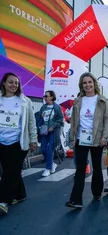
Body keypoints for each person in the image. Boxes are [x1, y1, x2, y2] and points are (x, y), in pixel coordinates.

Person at [65, 72, 108, 208]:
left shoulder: (102, 100)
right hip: (81, 138)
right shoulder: (78, 100)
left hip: (97, 138)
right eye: (84, 83)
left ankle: (97, 192)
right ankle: (76, 200)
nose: (87, 85)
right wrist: (73, 137)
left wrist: (105, 136)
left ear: (94, 84)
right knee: (80, 168)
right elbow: (74, 120)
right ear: (81, 85)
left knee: (97, 167)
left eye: (89, 82)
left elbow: (107, 119)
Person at [0, 72, 38, 215]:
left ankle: (3, 201)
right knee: (10, 170)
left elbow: (31, 122)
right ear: (3, 83)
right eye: (10, 82)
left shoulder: (24, 101)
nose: (14, 85)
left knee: (11, 172)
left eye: (16, 83)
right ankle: (20, 194)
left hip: (18, 142)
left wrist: (33, 139)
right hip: (2, 142)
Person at [37, 90, 64, 177]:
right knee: (43, 149)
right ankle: (52, 164)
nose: (45, 98)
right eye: (44, 96)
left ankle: (48, 168)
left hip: (53, 131)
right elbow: (40, 118)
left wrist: (53, 126)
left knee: (50, 149)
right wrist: (39, 126)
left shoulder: (57, 107)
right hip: (44, 131)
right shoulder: (43, 107)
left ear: (52, 97)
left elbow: (60, 120)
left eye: (46, 96)